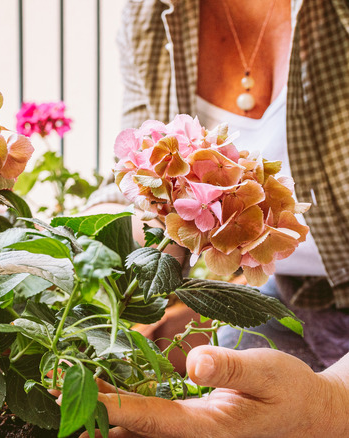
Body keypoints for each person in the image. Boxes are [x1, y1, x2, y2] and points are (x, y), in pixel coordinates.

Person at [84, 0, 349, 435]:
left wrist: (334, 403)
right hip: (288, 294)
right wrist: (81, 246)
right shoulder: (151, 12)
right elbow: (132, 184)